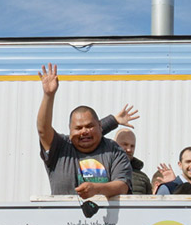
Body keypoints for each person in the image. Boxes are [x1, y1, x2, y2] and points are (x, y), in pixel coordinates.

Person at [36, 63, 131, 201]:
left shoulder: (114, 150)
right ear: (69, 129)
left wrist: (97, 189)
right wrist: (48, 96)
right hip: (62, 220)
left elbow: (122, 185)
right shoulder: (60, 147)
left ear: (100, 125)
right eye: (78, 128)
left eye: (89, 126)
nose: (84, 132)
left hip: (107, 222)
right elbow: (43, 130)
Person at [113, 129, 152, 195]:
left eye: (132, 146)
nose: (129, 149)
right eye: (125, 144)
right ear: (114, 145)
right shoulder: (103, 173)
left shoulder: (142, 178)